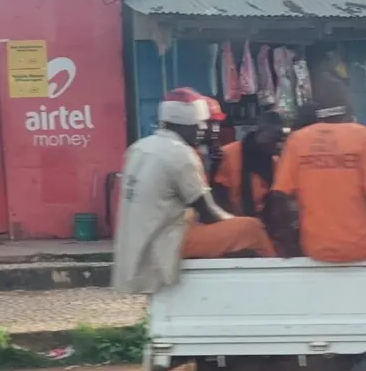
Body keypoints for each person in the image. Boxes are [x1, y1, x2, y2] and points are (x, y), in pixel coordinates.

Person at [112, 88, 276, 295]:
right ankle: (279, 286)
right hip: (169, 240)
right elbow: (210, 213)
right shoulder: (181, 154)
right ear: (188, 125)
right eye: (201, 125)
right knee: (251, 228)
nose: (203, 131)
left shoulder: (139, 148)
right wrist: (237, 223)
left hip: (139, 241)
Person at [268, 77, 366, 262]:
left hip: (315, 248)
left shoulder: (298, 140)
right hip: (363, 247)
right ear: (348, 106)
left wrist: (289, 242)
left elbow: (279, 197)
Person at [212, 111, 284, 218]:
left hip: (265, 223)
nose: (277, 144)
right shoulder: (229, 153)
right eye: (274, 138)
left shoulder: (276, 161)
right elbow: (219, 194)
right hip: (236, 221)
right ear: (260, 132)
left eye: (279, 139)